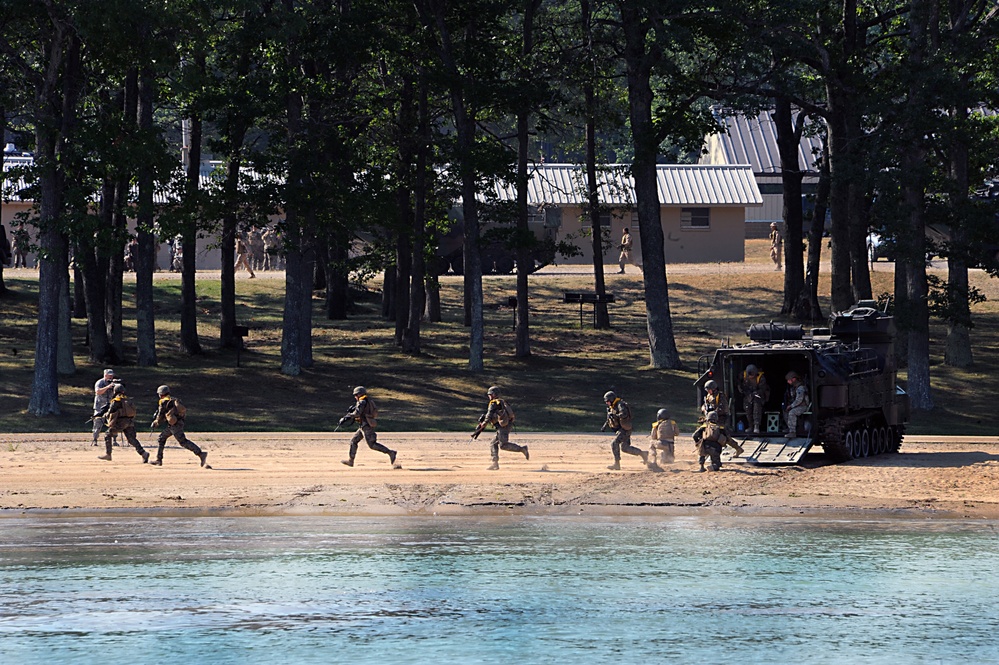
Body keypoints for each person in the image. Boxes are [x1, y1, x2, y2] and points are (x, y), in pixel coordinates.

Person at [150, 385, 208, 467]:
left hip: (174, 425)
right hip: (176, 424)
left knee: (183, 442)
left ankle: (200, 454)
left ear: (161, 394)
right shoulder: (174, 400)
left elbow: (160, 415)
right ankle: (159, 460)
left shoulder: (164, 402)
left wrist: (156, 422)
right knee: (161, 438)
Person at [339, 386, 397, 468]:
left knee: (372, 445)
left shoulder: (362, 402)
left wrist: (347, 417)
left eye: (356, 395)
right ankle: (351, 460)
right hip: (364, 425)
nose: (355, 397)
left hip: (366, 426)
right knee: (353, 441)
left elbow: (357, 414)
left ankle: (391, 453)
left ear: (359, 394)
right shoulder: (367, 400)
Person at [472, 386, 528, 471]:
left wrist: (483, 424)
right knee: (493, 443)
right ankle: (495, 463)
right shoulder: (501, 402)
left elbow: (489, 415)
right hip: (505, 426)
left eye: (490, 394)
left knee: (503, 445)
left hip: (503, 427)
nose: (489, 396)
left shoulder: (494, 403)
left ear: (494, 394)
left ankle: (522, 449)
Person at [97, 383, 150, 464]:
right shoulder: (128, 400)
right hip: (130, 422)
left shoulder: (116, 401)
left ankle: (108, 454)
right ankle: (143, 453)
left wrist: (102, 415)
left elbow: (111, 411)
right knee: (131, 439)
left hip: (120, 422)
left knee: (108, 434)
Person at [602, 390, 647, 470]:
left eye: (608, 401)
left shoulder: (620, 404)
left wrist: (615, 415)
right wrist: (605, 426)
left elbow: (624, 414)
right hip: (622, 428)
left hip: (625, 429)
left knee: (614, 444)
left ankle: (617, 464)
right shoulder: (613, 406)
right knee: (625, 448)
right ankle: (643, 454)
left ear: (612, 399)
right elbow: (610, 417)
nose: (607, 403)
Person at [740, 364, 770, 434]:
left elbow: (763, 389)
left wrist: (755, 393)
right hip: (748, 395)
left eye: (752, 375)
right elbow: (739, 383)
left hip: (758, 395)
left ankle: (756, 427)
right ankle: (751, 426)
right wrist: (742, 390)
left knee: (757, 410)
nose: (750, 377)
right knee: (747, 410)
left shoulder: (760, 377)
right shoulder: (743, 375)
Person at [91, 368, 117, 446]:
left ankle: (114, 440)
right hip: (100, 406)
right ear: (105, 375)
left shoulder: (113, 383)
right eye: (109, 376)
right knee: (98, 422)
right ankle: (95, 439)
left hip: (111, 405)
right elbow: (98, 391)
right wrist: (108, 387)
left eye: (111, 376)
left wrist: (116, 386)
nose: (110, 377)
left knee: (114, 422)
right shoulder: (100, 382)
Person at [784, 371, 810, 436]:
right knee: (786, 411)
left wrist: (791, 406)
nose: (788, 382)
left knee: (792, 412)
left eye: (789, 380)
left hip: (803, 406)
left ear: (794, 379)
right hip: (797, 405)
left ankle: (792, 432)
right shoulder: (793, 388)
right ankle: (790, 428)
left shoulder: (800, 388)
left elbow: (799, 400)